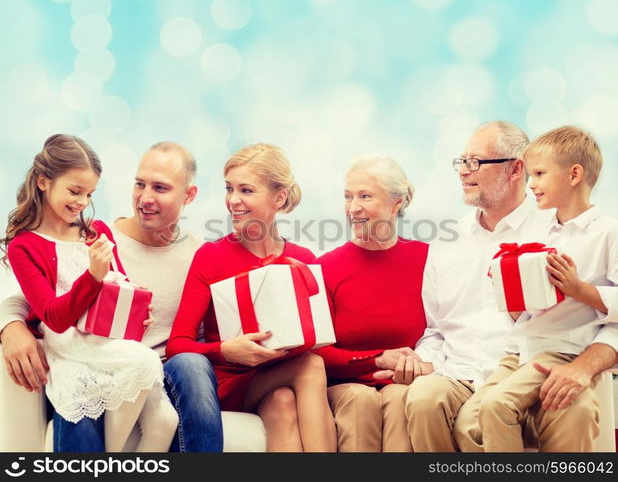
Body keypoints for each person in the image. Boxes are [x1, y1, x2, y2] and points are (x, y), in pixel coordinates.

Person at [402, 120, 618, 451]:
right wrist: (425, 360)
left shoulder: (555, 226)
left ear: (515, 169)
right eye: (460, 162)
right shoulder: (448, 240)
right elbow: (436, 328)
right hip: (468, 371)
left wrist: (583, 365)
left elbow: (592, 312)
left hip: (542, 361)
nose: (463, 171)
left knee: (571, 410)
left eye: (474, 162)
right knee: (430, 402)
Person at [0, 141, 224, 452]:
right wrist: (9, 326)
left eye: (160, 187)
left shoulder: (201, 253)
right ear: (43, 182)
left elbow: (122, 287)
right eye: (139, 184)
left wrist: (137, 310)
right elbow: (29, 299)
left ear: (189, 195)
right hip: (85, 353)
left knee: (183, 380)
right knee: (85, 394)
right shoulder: (100, 234)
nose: (145, 198)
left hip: (154, 365)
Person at [166, 142, 337, 452]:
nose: (233, 200)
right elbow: (177, 344)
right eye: (229, 189)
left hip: (278, 381)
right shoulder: (212, 255)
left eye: (246, 190)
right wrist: (226, 351)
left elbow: (321, 342)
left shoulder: (303, 259)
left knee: (283, 402)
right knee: (310, 367)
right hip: (230, 381)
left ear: (279, 197)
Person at [314, 154, 428, 452]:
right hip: (347, 386)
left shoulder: (427, 260)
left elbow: (449, 331)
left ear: (396, 203)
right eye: (348, 196)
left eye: (365, 196)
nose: (353, 208)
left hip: (404, 383)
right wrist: (378, 359)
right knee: (360, 400)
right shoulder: (325, 267)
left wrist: (419, 367)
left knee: (400, 398)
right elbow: (317, 354)